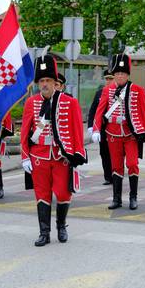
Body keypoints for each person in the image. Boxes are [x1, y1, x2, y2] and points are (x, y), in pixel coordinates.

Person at [20, 54, 87, 246]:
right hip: (38, 155)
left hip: (61, 156)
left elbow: (76, 131)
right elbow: (25, 132)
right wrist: (25, 157)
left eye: (49, 80)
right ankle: (44, 232)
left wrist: (76, 154)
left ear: (55, 82)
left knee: (63, 193)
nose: (45, 84)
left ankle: (61, 226)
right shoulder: (32, 103)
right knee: (41, 194)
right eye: (42, 80)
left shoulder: (69, 102)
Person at [92, 54, 145, 210]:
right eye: (117, 73)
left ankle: (133, 197)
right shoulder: (107, 90)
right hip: (112, 134)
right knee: (116, 167)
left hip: (131, 134)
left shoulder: (137, 90)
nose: (119, 76)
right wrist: (96, 128)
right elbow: (100, 111)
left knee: (132, 164)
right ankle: (116, 199)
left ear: (127, 74)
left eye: (122, 73)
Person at [87, 69, 114, 185]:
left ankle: (116, 174)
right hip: (102, 128)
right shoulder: (100, 93)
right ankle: (108, 176)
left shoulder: (120, 93)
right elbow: (93, 110)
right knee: (104, 153)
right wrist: (90, 126)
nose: (108, 81)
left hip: (114, 128)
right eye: (107, 79)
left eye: (110, 79)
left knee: (115, 153)